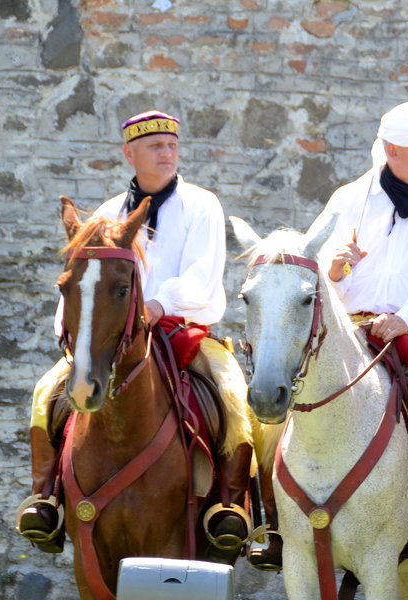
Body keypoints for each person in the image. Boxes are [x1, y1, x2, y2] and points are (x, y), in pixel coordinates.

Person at [16, 110, 255, 559]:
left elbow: (204, 276)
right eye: (155, 147)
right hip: (113, 337)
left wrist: (158, 305)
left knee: (233, 394)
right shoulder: (107, 213)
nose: (167, 153)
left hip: (183, 327)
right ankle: (45, 499)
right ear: (130, 154)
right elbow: (80, 280)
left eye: (172, 145)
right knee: (46, 390)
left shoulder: (202, 204)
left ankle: (229, 505)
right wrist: (71, 330)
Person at [297, 101, 408, 571]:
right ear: (393, 150)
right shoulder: (347, 199)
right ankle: (278, 526)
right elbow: (309, 266)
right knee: (284, 410)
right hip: (349, 330)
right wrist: (335, 270)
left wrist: (406, 315)